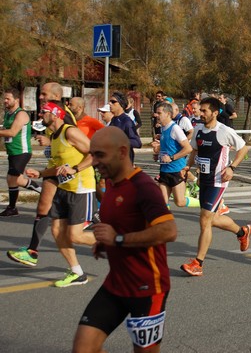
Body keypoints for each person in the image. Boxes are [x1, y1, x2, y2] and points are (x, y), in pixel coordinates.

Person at [72, 127, 177, 353]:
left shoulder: (144, 187)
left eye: (100, 155)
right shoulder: (110, 183)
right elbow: (121, 220)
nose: (94, 161)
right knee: (83, 348)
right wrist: (105, 241)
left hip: (148, 289)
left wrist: (118, 239)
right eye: (92, 154)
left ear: (121, 152)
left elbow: (169, 230)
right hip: (116, 284)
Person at [25, 102, 96, 286]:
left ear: (55, 114)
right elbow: (57, 167)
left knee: (75, 236)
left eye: (44, 111)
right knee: (57, 231)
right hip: (63, 189)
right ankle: (77, 273)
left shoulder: (69, 132)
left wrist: (75, 169)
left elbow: (95, 153)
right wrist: (40, 173)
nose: (40, 114)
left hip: (81, 188)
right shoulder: (54, 137)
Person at [6, 82, 77, 267]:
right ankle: (32, 251)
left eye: (43, 93)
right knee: (44, 206)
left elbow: (73, 137)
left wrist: (52, 140)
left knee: (68, 216)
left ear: (55, 95)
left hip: (66, 166)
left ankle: (112, 238)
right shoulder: (48, 111)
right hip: (56, 165)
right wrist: (49, 141)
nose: (40, 97)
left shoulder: (63, 113)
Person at [180, 97, 251, 277]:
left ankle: (198, 263)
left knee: (204, 220)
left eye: (204, 111)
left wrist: (232, 167)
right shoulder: (198, 129)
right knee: (212, 219)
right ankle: (242, 232)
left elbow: (243, 149)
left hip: (218, 181)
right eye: (200, 110)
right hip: (203, 179)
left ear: (214, 112)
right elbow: (194, 150)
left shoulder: (224, 131)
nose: (200, 113)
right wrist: (187, 166)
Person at [0, 88, 42, 216]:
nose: (5, 101)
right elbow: (5, 129)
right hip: (12, 152)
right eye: (4, 98)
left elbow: (12, 132)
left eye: (8, 99)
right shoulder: (8, 114)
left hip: (22, 152)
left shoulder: (21, 114)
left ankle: (12, 208)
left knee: (12, 178)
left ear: (17, 100)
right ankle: (44, 191)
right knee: (16, 180)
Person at [151, 102, 199, 208]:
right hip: (164, 170)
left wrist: (172, 158)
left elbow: (188, 148)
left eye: (159, 113)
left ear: (168, 114)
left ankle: (204, 204)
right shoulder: (163, 129)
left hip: (176, 170)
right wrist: (158, 155)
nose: (156, 115)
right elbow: (169, 148)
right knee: (162, 204)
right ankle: (165, 223)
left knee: (180, 202)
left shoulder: (175, 128)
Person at [109, 91, 142, 162]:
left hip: (124, 163)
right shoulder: (114, 119)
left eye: (113, 102)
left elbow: (137, 143)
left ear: (121, 104)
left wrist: (120, 141)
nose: (110, 104)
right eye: (110, 101)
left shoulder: (126, 121)